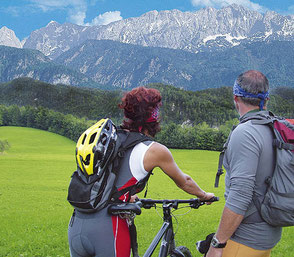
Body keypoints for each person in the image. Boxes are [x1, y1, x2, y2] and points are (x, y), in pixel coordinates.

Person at [68, 86, 214, 257]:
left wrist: (127, 195)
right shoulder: (154, 150)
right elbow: (184, 181)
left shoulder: (112, 141)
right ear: (152, 116)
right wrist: (204, 196)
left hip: (77, 224)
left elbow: (109, 179)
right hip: (108, 229)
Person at [206, 70, 282, 257]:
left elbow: (240, 194)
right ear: (266, 100)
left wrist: (217, 243)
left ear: (236, 97)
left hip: (245, 239)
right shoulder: (273, 128)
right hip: (268, 234)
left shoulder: (245, 133)